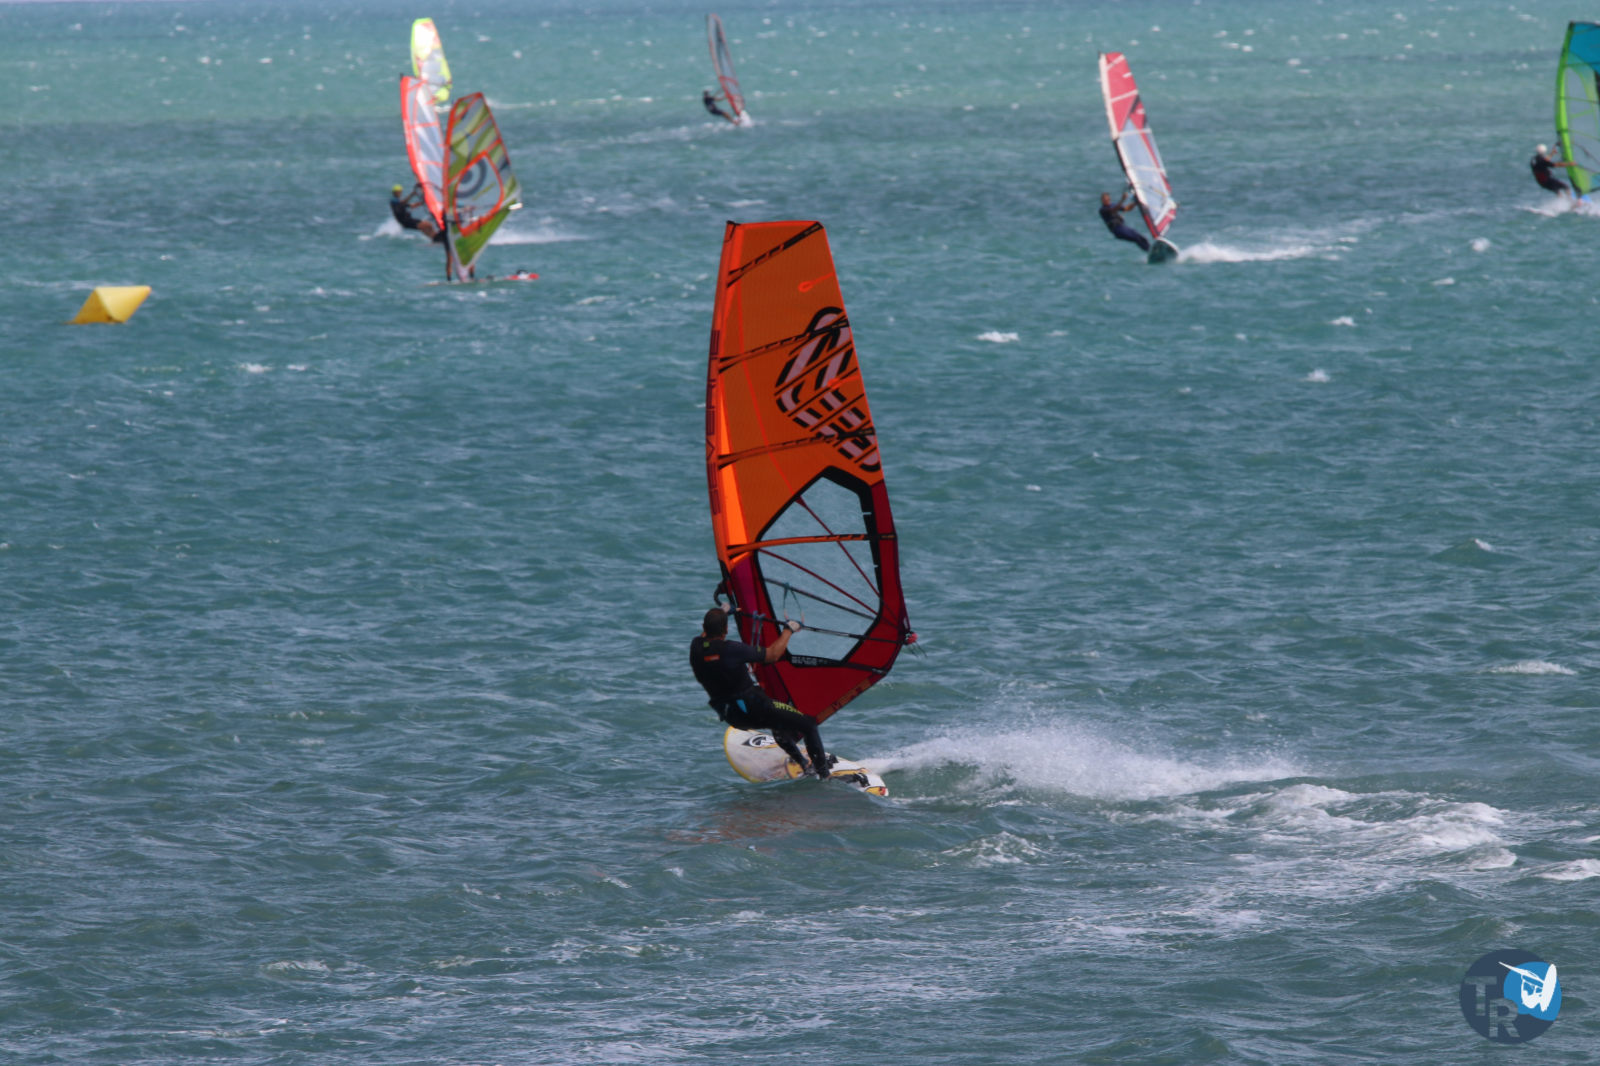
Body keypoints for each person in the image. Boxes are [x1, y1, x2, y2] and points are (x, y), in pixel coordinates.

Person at [690, 606, 834, 779]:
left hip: (732, 716)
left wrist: (722, 613)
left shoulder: (696, 648)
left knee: (777, 721)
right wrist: (789, 630)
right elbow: (772, 655)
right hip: (756, 709)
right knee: (808, 725)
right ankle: (824, 777)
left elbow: (706, 636)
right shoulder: (732, 649)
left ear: (704, 627)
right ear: (726, 630)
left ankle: (803, 764)